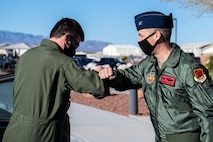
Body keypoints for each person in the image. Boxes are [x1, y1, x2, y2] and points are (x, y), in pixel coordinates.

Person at [98, 11, 213, 142]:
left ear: (156, 35)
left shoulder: (188, 68)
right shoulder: (149, 64)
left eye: (141, 36)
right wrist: (112, 75)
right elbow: (128, 76)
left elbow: (208, 113)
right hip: (160, 137)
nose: (138, 40)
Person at [3, 18, 109, 142]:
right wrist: (99, 73)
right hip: (43, 136)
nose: (75, 49)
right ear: (67, 38)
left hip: (13, 132)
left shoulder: (26, 56)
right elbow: (98, 88)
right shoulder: (64, 62)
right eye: (76, 44)